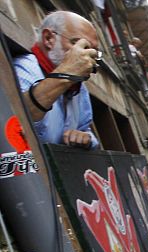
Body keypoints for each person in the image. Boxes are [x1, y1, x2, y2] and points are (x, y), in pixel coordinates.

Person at [13, 11, 102, 149]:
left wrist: (86, 139)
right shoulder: (22, 69)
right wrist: (66, 73)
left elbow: (86, 129)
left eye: (94, 52)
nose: (88, 56)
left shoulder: (80, 89)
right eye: (79, 44)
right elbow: (16, 121)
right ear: (49, 38)